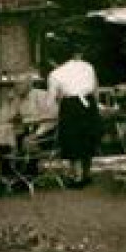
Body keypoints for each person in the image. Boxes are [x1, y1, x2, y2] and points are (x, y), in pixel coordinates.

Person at [47, 48, 100, 186]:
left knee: (73, 139)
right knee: (88, 137)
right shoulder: (88, 66)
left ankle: (78, 176)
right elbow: (95, 89)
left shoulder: (55, 74)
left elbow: (51, 100)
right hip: (89, 103)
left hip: (70, 106)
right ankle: (86, 173)